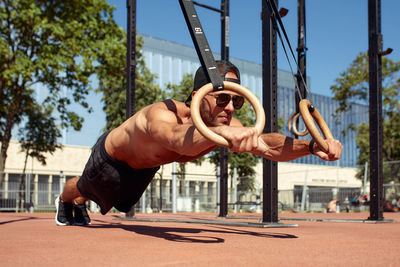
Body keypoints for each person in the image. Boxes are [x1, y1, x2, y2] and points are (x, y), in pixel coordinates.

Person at [55, 60, 343, 226]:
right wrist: (222, 136)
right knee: (82, 189)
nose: (230, 107)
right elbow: (177, 140)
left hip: (144, 170)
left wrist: (311, 147)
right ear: (196, 96)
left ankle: (83, 201)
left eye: (237, 100)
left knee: (113, 204)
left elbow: (267, 145)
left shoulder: (224, 127)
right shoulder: (161, 114)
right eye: (222, 98)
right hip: (111, 160)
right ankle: (66, 200)